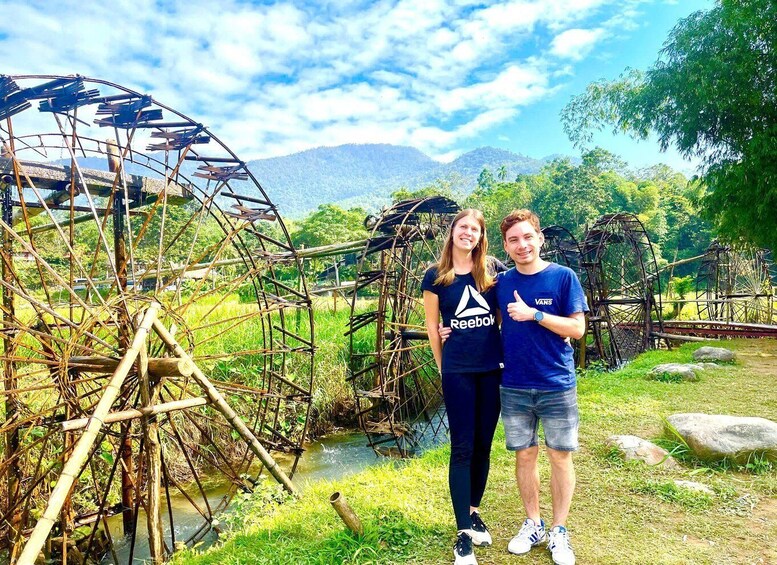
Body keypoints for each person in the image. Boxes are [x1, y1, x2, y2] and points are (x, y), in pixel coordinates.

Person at [496, 209, 588, 565]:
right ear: (506, 246)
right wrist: (447, 330)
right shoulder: (501, 282)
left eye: (527, 237)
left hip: (556, 383)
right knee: (524, 455)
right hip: (514, 385)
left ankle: (559, 531)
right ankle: (533, 523)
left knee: (559, 455)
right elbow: (485, 320)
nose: (522, 245)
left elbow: (577, 329)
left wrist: (534, 314)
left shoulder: (563, 277)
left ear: (540, 238)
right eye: (514, 240)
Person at [422, 209, 503, 565]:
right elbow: (432, 327)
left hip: (491, 369)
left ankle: (473, 512)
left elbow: (502, 313)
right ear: (452, 231)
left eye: (475, 229)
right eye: (463, 227)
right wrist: (444, 367)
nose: (468, 233)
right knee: (462, 448)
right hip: (458, 371)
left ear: (481, 236)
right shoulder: (435, 276)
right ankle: (462, 535)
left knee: (484, 445)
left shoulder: (492, 270)